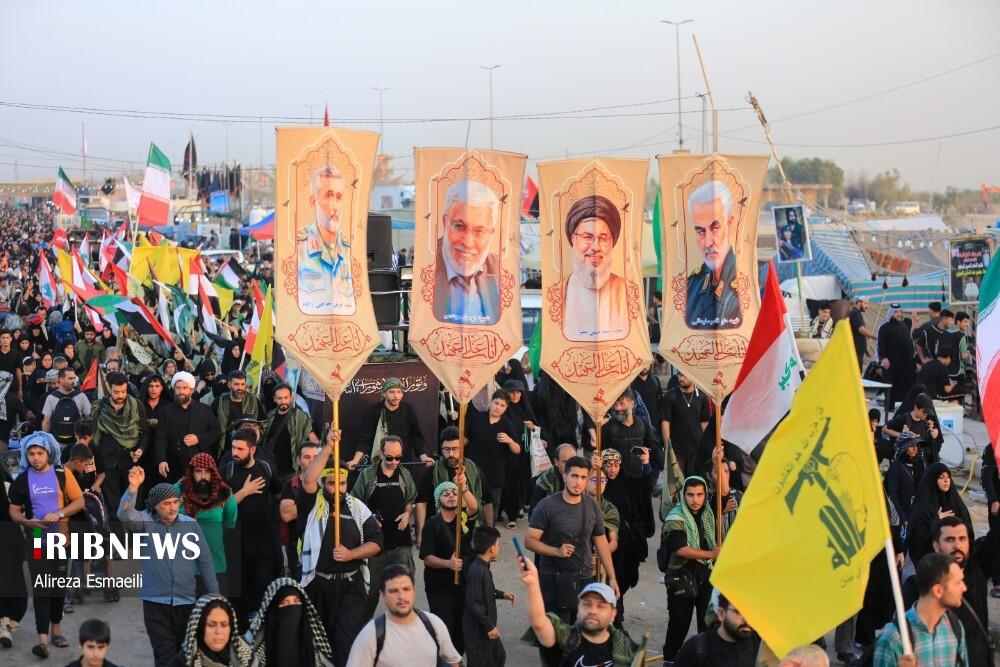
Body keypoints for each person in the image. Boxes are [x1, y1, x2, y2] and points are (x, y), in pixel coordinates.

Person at [298, 432, 384, 667]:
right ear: (323, 483)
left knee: (347, 644)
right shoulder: (311, 504)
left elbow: (377, 542)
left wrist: (351, 554)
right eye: (331, 483)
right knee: (317, 646)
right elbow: (308, 480)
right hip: (317, 585)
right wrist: (327, 447)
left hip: (351, 587)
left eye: (342, 483)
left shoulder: (358, 508)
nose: (337, 488)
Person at [118, 469, 218, 667]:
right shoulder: (145, 523)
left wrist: (215, 597)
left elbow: (205, 561)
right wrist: (133, 488)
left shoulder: (191, 525)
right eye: (166, 504)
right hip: (155, 604)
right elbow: (124, 514)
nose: (173, 508)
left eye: (175, 502)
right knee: (165, 655)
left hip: (186, 602)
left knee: (184, 656)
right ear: (155, 506)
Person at [7, 431, 84, 659]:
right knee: (42, 587)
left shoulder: (62, 474)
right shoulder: (23, 479)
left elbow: (79, 501)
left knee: (57, 586)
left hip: (61, 538)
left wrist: (59, 513)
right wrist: (26, 522)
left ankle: (56, 630)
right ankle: (42, 638)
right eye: (31, 453)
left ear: (48, 453)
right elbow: (14, 510)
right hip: (38, 536)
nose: (35, 458)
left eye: (39, 453)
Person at [526, 455, 619, 623]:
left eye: (583, 477)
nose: (578, 482)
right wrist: (556, 551)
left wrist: (612, 577)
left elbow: (601, 541)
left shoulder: (592, 505)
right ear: (564, 476)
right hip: (554, 579)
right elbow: (530, 540)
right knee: (557, 633)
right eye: (574, 476)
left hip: (584, 577)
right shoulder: (547, 506)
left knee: (582, 630)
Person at [902, 516, 1000, 666]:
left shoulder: (978, 568)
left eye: (962, 539)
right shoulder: (917, 585)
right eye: (949, 540)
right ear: (936, 545)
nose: (957, 545)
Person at [520, 556, 638, 666]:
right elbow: (539, 624)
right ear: (578, 608)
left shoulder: (624, 644)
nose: (592, 611)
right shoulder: (565, 639)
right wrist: (533, 584)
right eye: (587, 604)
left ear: (613, 614)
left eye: (601, 606)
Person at [351, 435, 417, 618]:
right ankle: (365, 630)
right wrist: (369, 517)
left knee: (402, 589)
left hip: (400, 542)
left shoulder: (404, 474)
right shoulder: (368, 475)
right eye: (389, 457)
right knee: (369, 594)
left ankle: (402, 626)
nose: (394, 462)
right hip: (374, 545)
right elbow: (354, 503)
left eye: (398, 457)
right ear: (380, 453)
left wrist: (407, 513)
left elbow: (411, 499)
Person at [220, 428, 280, 627]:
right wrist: (244, 492)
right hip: (234, 542)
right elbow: (219, 508)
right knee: (237, 593)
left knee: (263, 588)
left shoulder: (266, 469)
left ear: (252, 450)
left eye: (240, 449)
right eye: (233, 448)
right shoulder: (226, 472)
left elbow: (277, 493)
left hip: (262, 541)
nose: (235, 453)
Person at [345, 564, 462, 667]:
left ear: (414, 591)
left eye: (406, 589)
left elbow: (454, 661)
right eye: (393, 591)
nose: (401, 596)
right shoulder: (370, 636)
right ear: (382, 595)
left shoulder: (434, 624)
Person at [873, 552, 968, 667]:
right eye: (958, 583)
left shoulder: (955, 628)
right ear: (938, 590)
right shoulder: (892, 639)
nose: (964, 588)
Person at [661, 476, 719, 661]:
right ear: (683, 495)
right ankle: (670, 661)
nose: (695, 500)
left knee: (707, 625)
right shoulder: (676, 517)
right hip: (681, 578)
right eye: (691, 495)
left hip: (705, 577)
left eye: (700, 495)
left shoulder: (708, 514)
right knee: (678, 626)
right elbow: (681, 549)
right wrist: (711, 554)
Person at [432, 179, 502, 326]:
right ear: (445, 223)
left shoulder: (500, 270)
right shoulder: (427, 264)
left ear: (491, 233)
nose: (468, 243)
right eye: (459, 226)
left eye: (479, 231)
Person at [561, 194, 630, 341]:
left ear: (612, 242)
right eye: (587, 237)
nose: (595, 247)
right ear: (574, 239)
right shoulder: (558, 293)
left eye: (603, 238)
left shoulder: (627, 292)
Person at [419, 480, 475, 655]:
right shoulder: (432, 524)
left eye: (454, 493)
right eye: (446, 494)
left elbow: (474, 507)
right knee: (444, 629)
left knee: (461, 630)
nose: (451, 496)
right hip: (439, 586)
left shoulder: (463, 519)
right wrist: (448, 564)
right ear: (438, 499)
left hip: (463, 584)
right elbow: (427, 558)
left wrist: (463, 488)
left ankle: (456, 660)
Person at [90, 371, 148, 534]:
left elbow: (145, 432)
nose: (120, 395)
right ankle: (118, 540)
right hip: (108, 463)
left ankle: (136, 541)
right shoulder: (99, 407)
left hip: (130, 461)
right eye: (116, 392)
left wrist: (140, 449)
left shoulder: (136, 406)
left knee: (133, 503)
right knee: (113, 505)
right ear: (109, 388)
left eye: (123, 391)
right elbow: (93, 435)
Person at [175, 452, 237, 595]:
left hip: (215, 564)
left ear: (212, 473)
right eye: (198, 471)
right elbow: (162, 509)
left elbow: (229, 524)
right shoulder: (180, 489)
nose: (203, 476)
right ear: (192, 473)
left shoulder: (224, 493)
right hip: (185, 564)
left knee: (217, 605)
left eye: (207, 472)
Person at [297, 164, 355, 316]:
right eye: (329, 196)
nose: (335, 206)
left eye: (339, 197)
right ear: (313, 202)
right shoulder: (298, 250)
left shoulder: (351, 251)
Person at [684, 181, 743, 330]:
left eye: (715, 228)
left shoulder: (744, 283)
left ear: (730, 225)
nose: (708, 242)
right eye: (700, 232)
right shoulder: (692, 285)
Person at [415, 426, 485, 542]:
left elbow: (484, 502)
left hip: (466, 531)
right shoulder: (433, 471)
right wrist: (420, 535)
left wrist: (488, 531)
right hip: (438, 533)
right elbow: (421, 502)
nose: (451, 453)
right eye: (446, 449)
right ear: (441, 449)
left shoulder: (473, 470)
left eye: (455, 449)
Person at [246, 577, 334, 667]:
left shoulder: (314, 648)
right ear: (273, 610)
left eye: (296, 601)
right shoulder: (258, 650)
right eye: (284, 603)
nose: (292, 609)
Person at [351, 377, 432, 471]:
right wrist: (355, 460)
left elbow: (416, 437)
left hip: (403, 462)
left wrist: (423, 457)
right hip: (381, 463)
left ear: (402, 394)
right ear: (384, 393)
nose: (396, 396)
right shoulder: (374, 411)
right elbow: (365, 439)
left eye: (399, 392)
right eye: (392, 392)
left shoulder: (408, 410)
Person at [155, 372, 222, 483]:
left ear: (191, 390)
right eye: (178, 388)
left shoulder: (204, 409)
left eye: (185, 388)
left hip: (199, 465)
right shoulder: (165, 411)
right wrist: (162, 460)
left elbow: (216, 432)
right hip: (173, 465)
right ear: (174, 389)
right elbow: (160, 438)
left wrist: (198, 439)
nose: (181, 391)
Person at [464, 526, 516, 667]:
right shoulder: (477, 571)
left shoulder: (483, 567)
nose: (499, 548)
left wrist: (502, 594)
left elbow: (485, 591)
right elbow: (474, 602)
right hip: (478, 631)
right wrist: (488, 626)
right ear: (491, 549)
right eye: (498, 544)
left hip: (485, 627)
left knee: (498, 656)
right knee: (480, 662)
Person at [906, 462, 973, 567]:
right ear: (933, 480)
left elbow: (969, 531)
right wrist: (935, 521)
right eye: (941, 477)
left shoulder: (955, 501)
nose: (946, 480)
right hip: (931, 564)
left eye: (948, 477)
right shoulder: (923, 505)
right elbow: (916, 538)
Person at [672, 592, 759, 666]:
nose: (747, 619)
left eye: (750, 612)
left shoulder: (759, 645)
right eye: (739, 612)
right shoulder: (696, 648)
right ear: (721, 614)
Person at [167, 594, 251, 667]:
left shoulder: (247, 659)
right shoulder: (182, 663)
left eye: (224, 625)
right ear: (200, 627)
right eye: (211, 625)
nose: (218, 631)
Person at [260, 382, 317, 481]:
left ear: (291, 398)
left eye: (286, 398)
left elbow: (313, 439)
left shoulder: (301, 417)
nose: (283, 401)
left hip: (293, 470)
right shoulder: (269, 417)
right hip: (272, 469)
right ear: (274, 399)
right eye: (280, 398)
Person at [662, 373, 709, 476]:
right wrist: (668, 448)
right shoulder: (671, 396)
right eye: (680, 375)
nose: (681, 378)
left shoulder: (702, 397)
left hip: (696, 448)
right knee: (677, 482)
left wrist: (706, 446)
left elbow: (704, 423)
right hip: (677, 449)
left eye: (684, 375)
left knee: (694, 480)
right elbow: (665, 422)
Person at [877, 303, 916, 411]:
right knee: (891, 385)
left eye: (899, 312)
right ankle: (889, 408)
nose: (898, 314)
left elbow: (909, 341)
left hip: (905, 362)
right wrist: (883, 358)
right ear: (890, 313)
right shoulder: (884, 327)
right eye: (895, 312)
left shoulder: (903, 325)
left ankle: (905, 407)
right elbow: (881, 344)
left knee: (906, 384)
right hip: (892, 362)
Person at [883, 393, 942, 465]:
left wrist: (932, 432)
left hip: (920, 461)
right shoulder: (904, 419)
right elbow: (885, 429)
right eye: (924, 412)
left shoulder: (925, 422)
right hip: (905, 462)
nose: (925, 415)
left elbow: (929, 440)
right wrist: (902, 435)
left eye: (927, 413)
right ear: (916, 407)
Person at [885, 432, 927, 530]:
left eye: (916, 445)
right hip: (903, 517)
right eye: (911, 446)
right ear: (903, 449)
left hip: (917, 514)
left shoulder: (919, 465)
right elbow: (892, 495)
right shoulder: (896, 467)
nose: (915, 448)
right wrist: (902, 517)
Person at [42, 366, 92, 446]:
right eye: (70, 378)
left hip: (77, 443)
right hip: (56, 444)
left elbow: (89, 418)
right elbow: (46, 422)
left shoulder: (81, 396)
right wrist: (45, 442)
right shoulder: (51, 397)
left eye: (74, 378)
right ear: (61, 379)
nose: (73, 381)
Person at [216, 370, 263, 451]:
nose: (240, 388)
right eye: (236, 384)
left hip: (247, 449)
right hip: (224, 449)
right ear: (229, 385)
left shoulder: (254, 401)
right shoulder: (219, 401)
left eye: (242, 384)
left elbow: (262, 425)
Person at [529, 442, 574, 514]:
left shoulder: (582, 474)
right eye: (565, 462)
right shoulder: (546, 479)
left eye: (573, 461)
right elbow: (534, 510)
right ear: (556, 462)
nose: (570, 465)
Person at [848, 297, 876, 371]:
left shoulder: (858, 313)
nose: (867, 306)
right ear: (859, 303)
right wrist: (875, 337)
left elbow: (859, 334)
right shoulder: (854, 313)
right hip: (856, 350)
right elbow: (861, 330)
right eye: (865, 303)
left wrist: (865, 350)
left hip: (859, 350)